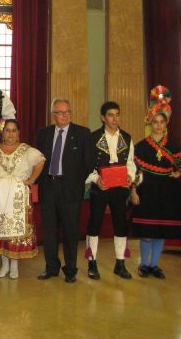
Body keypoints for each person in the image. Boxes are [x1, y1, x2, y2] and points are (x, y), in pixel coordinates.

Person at [36, 99, 94, 283]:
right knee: (49, 231)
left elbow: (89, 163)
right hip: (48, 188)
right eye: (60, 112)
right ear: (53, 114)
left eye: (67, 111)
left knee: (70, 231)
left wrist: (76, 183)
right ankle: (51, 267)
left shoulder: (83, 133)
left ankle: (70, 270)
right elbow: (37, 160)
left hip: (71, 189)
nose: (64, 115)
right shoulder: (43, 133)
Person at [132, 86, 181, 280]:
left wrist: (177, 173)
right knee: (147, 231)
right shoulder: (141, 147)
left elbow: (179, 167)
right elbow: (135, 172)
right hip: (146, 191)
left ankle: (154, 265)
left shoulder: (175, 146)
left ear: (166, 123)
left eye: (162, 122)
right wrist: (133, 191)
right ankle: (144, 264)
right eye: (155, 122)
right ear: (150, 123)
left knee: (161, 231)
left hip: (167, 193)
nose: (158, 125)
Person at [84, 101, 136, 280]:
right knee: (95, 224)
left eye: (117, 114)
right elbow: (88, 165)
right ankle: (92, 262)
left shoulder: (127, 138)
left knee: (121, 224)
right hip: (101, 187)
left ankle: (120, 263)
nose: (115, 118)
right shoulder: (93, 138)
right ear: (103, 118)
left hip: (120, 188)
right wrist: (96, 179)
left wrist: (130, 176)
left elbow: (130, 163)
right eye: (111, 115)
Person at [0, 119, 44, 279]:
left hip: (18, 197)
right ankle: (4, 264)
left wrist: (32, 179)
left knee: (16, 233)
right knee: (2, 229)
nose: (10, 134)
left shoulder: (26, 150)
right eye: (7, 130)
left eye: (14, 130)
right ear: (2, 132)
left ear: (19, 132)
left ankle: (14, 265)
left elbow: (40, 160)